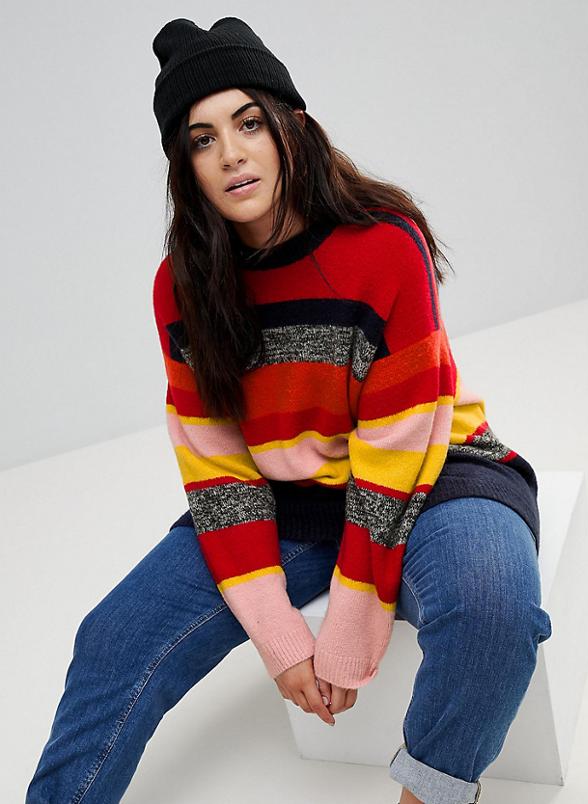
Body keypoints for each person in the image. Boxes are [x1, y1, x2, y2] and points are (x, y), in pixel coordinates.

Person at [25, 17, 552, 804]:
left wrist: (347, 630)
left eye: (249, 124)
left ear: (291, 128)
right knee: (112, 639)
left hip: (432, 473)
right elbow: (216, 465)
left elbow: (398, 446)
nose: (231, 154)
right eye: (202, 140)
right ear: (185, 168)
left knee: (492, 609)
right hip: (285, 498)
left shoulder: (384, 245)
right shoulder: (182, 287)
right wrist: (280, 638)